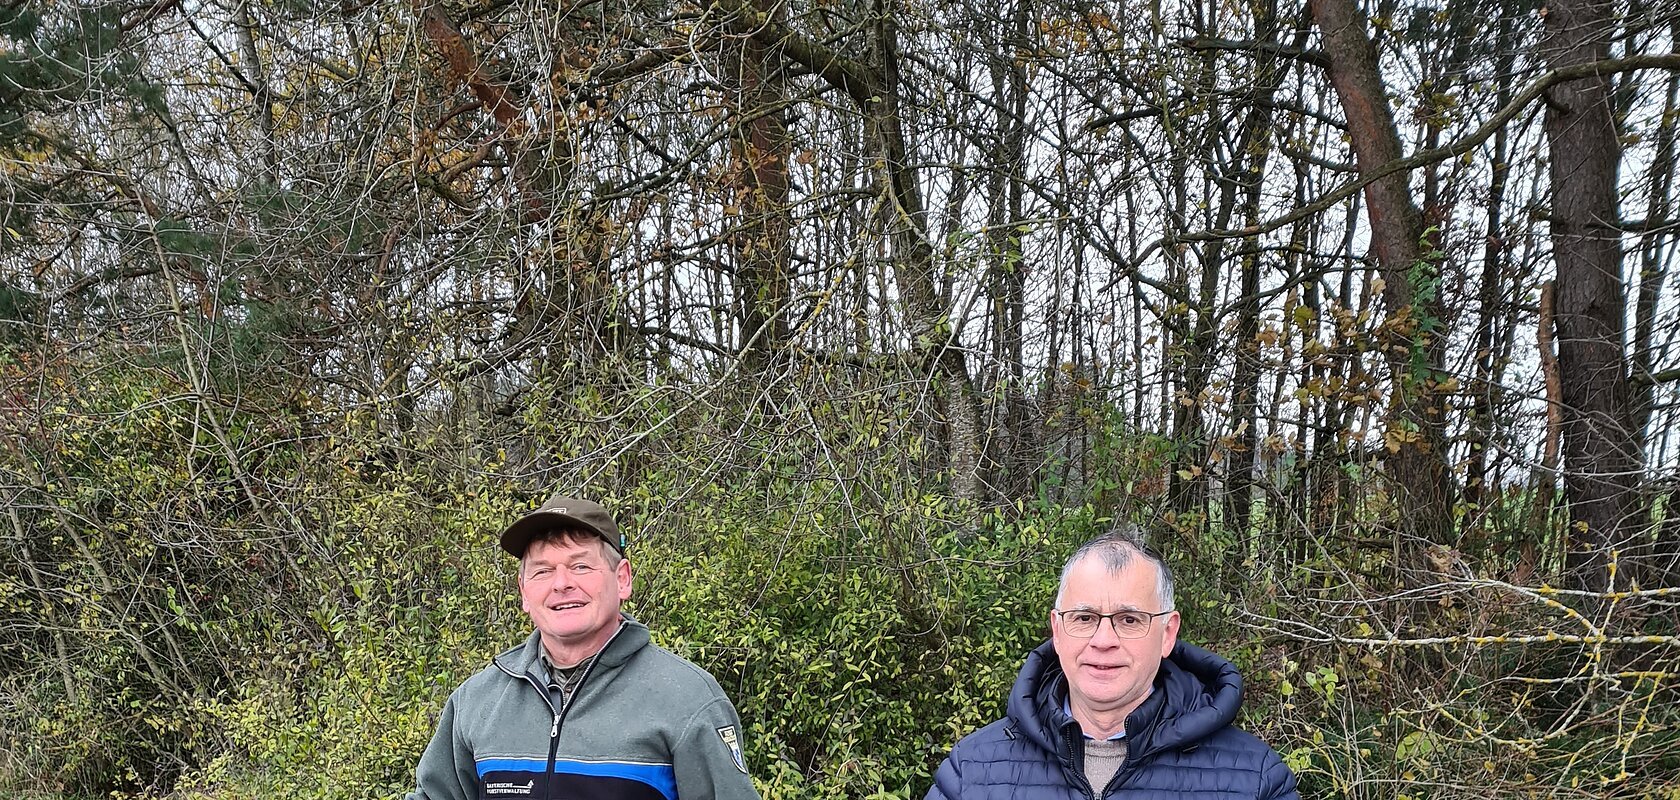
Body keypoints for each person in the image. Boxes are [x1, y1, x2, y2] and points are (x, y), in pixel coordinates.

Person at [404, 494, 760, 800]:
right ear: (524, 591)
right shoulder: (477, 702)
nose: (561, 584)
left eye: (580, 566)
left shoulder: (687, 701)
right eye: (542, 571)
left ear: (622, 579)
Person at [925, 525, 1299, 800]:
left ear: (1168, 633)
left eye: (1129, 620)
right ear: (1057, 629)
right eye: (1084, 618)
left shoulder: (1255, 780)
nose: (1103, 641)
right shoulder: (972, 772)